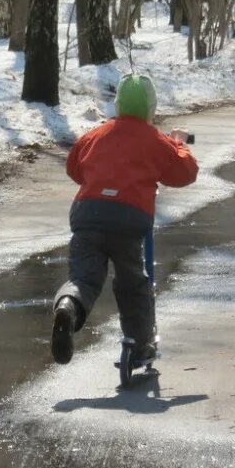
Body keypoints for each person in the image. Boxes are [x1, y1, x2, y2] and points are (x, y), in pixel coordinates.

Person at [51, 73, 198, 366]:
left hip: (88, 213)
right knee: (132, 282)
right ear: (150, 108)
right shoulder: (155, 140)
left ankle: (68, 307)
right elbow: (185, 172)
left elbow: (75, 167)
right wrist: (179, 143)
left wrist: (98, 180)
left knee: (83, 278)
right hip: (128, 218)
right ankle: (138, 342)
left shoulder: (97, 134)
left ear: (118, 105)